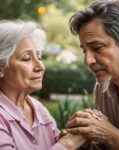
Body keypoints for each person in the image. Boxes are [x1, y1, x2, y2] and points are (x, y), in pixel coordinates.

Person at [66, 0, 119, 149]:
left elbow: (109, 136)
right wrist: (83, 139)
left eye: (97, 48)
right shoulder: (102, 87)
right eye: (84, 50)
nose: (87, 60)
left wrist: (111, 135)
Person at [0, 20, 85, 150]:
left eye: (39, 57)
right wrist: (67, 144)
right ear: (1, 69)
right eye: (27, 58)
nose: (40, 66)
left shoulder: (38, 109)